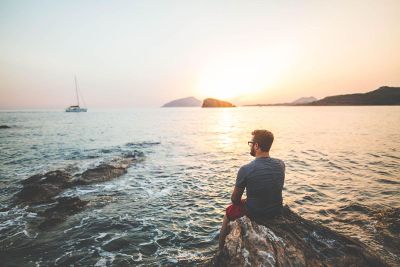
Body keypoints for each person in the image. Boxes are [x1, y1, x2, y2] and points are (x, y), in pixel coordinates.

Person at [218, 129, 285, 250]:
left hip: (256, 213)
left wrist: (246, 201)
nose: (250, 146)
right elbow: (270, 187)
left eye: (251, 143)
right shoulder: (281, 164)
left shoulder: (246, 169)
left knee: (228, 212)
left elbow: (234, 199)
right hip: (276, 210)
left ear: (256, 146)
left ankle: (220, 251)